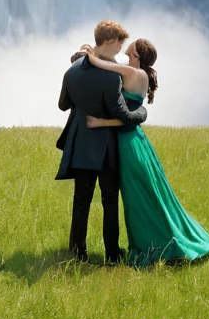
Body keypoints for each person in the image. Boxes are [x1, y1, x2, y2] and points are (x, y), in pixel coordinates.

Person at [79, 37, 209, 267]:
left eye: (133, 45)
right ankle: (156, 241)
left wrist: (90, 54)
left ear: (136, 54)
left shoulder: (133, 73)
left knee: (141, 200)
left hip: (129, 144)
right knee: (148, 197)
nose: (129, 44)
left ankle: (155, 246)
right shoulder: (136, 73)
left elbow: (106, 73)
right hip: (136, 143)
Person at [55, 20, 147, 264]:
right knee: (109, 200)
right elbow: (124, 116)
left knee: (81, 200)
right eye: (119, 44)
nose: (121, 50)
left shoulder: (72, 70)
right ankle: (112, 253)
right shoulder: (110, 78)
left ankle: (77, 252)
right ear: (108, 41)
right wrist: (142, 114)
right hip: (105, 147)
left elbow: (63, 105)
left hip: (80, 143)